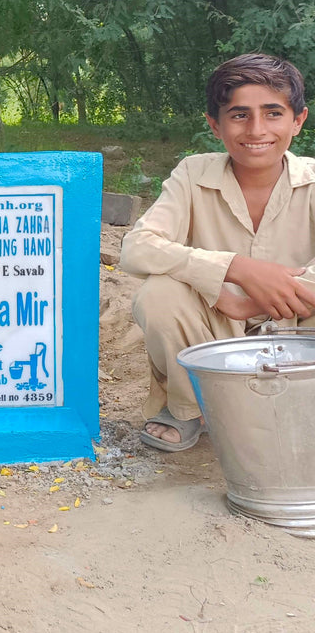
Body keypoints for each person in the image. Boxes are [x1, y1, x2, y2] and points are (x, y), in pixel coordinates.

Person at [120, 53, 315, 452]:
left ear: (298, 120)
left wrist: (267, 295)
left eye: (273, 113)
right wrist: (235, 271)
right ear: (215, 125)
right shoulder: (193, 174)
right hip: (215, 326)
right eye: (239, 115)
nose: (257, 129)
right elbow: (137, 248)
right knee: (159, 295)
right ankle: (189, 409)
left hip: (300, 326)